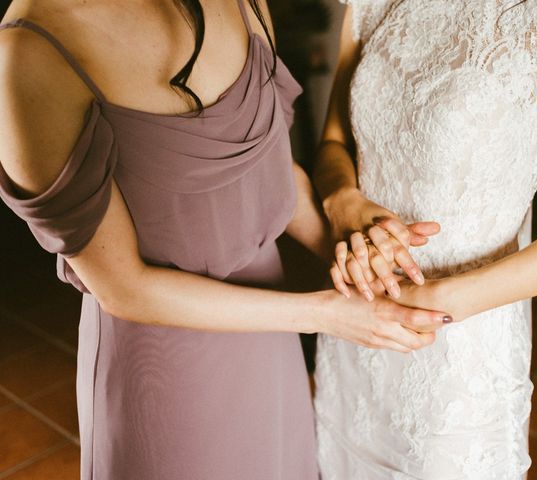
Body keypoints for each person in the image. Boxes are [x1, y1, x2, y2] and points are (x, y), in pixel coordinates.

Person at [0, 1, 448, 478]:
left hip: (272, 340)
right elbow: (123, 288)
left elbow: (268, 177)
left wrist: (364, 260)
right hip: (165, 372)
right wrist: (326, 314)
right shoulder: (32, 48)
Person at [313, 0, 537, 478]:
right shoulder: (371, 5)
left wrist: (439, 301)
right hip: (358, 316)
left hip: (460, 347)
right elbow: (335, 144)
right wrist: (345, 203)